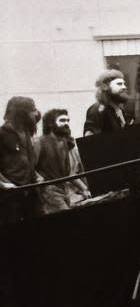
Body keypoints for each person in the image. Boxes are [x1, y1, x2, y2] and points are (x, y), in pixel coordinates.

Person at [35, 109, 90, 213]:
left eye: (68, 120)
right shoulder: (40, 142)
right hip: (49, 191)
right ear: (51, 123)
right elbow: (30, 167)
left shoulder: (64, 142)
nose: (66, 123)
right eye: (62, 120)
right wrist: (40, 180)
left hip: (64, 190)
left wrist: (84, 189)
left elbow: (68, 173)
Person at [0, 96, 43, 224]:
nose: (36, 113)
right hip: (10, 196)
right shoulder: (2, 134)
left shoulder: (26, 132)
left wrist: (36, 175)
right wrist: (3, 184)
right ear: (22, 113)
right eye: (33, 110)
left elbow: (25, 162)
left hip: (30, 192)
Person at [84, 69, 132, 136]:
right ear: (105, 87)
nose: (124, 87)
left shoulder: (120, 110)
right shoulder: (97, 110)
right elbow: (90, 141)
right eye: (119, 84)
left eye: (124, 84)